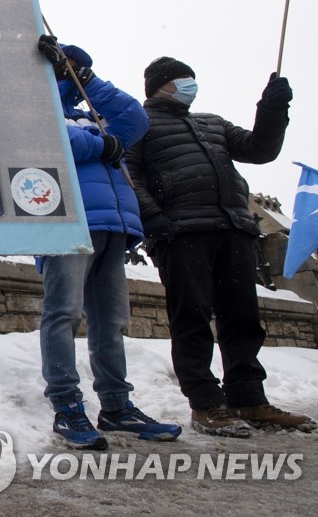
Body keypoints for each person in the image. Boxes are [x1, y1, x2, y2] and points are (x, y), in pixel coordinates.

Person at [126, 56, 315, 437]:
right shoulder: (139, 124)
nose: (189, 87)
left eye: (191, 80)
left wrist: (273, 109)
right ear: (159, 86)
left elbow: (259, 150)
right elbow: (129, 174)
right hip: (180, 233)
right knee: (192, 318)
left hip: (234, 228)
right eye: (181, 81)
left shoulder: (212, 123)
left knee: (243, 318)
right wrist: (154, 219)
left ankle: (248, 397)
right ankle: (206, 404)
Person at [35, 36, 182, 449]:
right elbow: (53, 142)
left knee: (111, 321)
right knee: (63, 313)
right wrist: (104, 145)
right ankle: (66, 406)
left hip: (113, 226)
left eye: (72, 67)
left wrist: (87, 80)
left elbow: (135, 122)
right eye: (62, 67)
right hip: (64, 223)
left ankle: (116, 406)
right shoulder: (35, 108)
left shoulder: (89, 112)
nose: (65, 74)